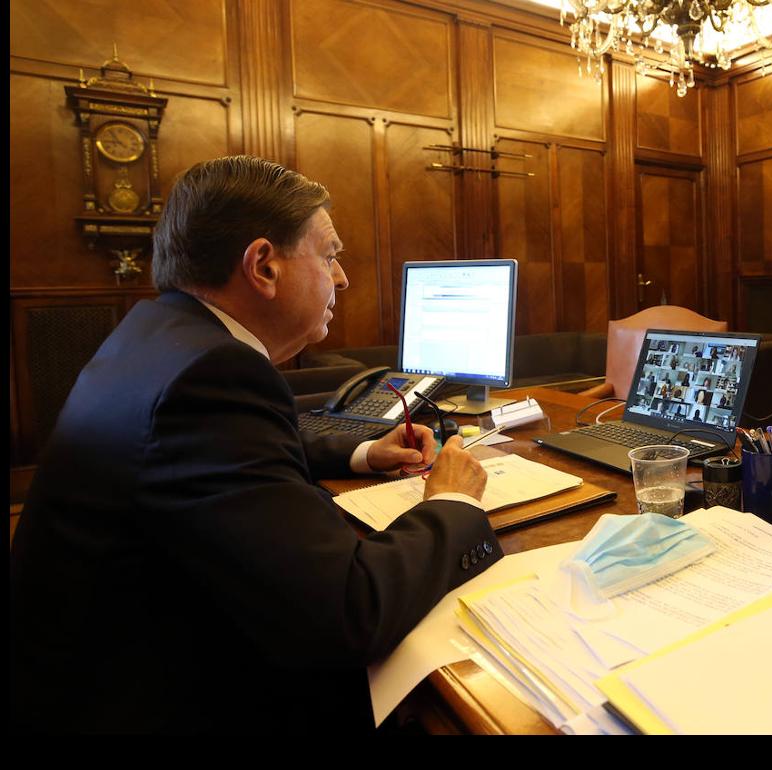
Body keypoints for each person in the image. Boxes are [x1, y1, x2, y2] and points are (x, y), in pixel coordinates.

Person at [10, 156, 499, 733]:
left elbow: (232, 449)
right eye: (330, 255)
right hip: (152, 696)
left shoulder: (161, 335)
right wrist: (452, 504)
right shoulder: (210, 378)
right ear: (263, 265)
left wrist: (363, 451)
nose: (341, 278)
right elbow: (347, 613)